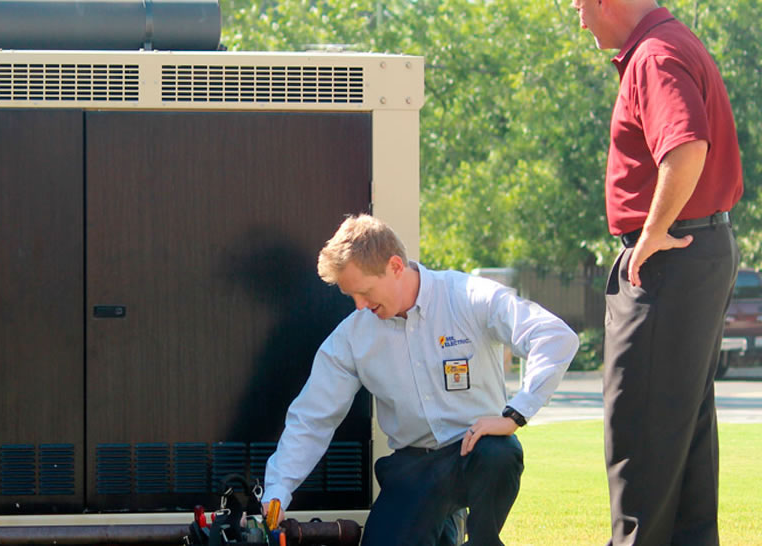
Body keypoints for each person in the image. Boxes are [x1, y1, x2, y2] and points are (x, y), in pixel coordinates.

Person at [260, 214, 578, 545]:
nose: (359, 306)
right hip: (413, 469)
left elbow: (554, 337)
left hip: (475, 452)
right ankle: (445, 527)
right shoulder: (352, 338)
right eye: (351, 295)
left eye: (365, 292)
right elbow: (312, 418)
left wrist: (515, 415)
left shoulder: (467, 296)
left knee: (499, 452)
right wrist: (278, 489)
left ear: (396, 266)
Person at [571, 1, 743, 544]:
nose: (579, 19)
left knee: (641, 434)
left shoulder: (655, 54)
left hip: (669, 258)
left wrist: (649, 234)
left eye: (579, 5)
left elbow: (687, 145)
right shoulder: (671, 42)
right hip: (697, 252)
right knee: (682, 437)